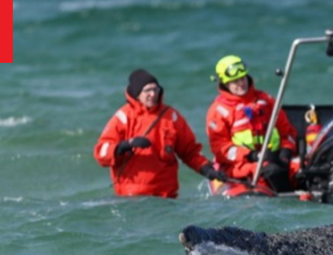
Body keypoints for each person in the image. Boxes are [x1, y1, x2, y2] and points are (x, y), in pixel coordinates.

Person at [94, 69, 226, 198]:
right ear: (137, 93)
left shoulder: (171, 117)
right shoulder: (123, 117)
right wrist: (125, 145)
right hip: (131, 198)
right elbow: (101, 153)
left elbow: (190, 152)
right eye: (147, 90)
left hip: (166, 198)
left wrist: (208, 170)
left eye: (155, 89)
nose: (153, 94)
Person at [205, 55, 299, 195]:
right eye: (235, 81)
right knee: (269, 174)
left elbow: (287, 132)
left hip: (274, 157)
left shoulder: (266, 101)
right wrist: (252, 156)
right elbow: (221, 148)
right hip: (239, 165)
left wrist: (286, 152)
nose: (240, 84)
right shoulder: (218, 112)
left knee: (299, 170)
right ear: (225, 84)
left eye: (242, 78)